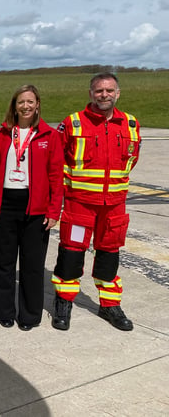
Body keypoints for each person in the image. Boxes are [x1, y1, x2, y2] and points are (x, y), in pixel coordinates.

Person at [51, 72, 141, 331]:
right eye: (99, 90)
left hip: (113, 206)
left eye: (109, 90)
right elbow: (57, 161)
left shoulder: (131, 125)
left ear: (118, 93)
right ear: (90, 94)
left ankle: (110, 305)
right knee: (71, 254)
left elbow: (131, 160)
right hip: (80, 204)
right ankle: (64, 302)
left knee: (109, 255)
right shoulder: (73, 122)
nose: (104, 95)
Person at [0, 85, 64, 331]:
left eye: (30, 102)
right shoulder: (3, 134)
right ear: (14, 105)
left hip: (36, 208)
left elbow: (56, 176)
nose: (26, 106)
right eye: (21, 102)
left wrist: (53, 211)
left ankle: (29, 315)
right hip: (5, 205)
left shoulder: (49, 136)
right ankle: (5, 312)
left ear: (37, 104)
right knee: (3, 262)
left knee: (32, 265)